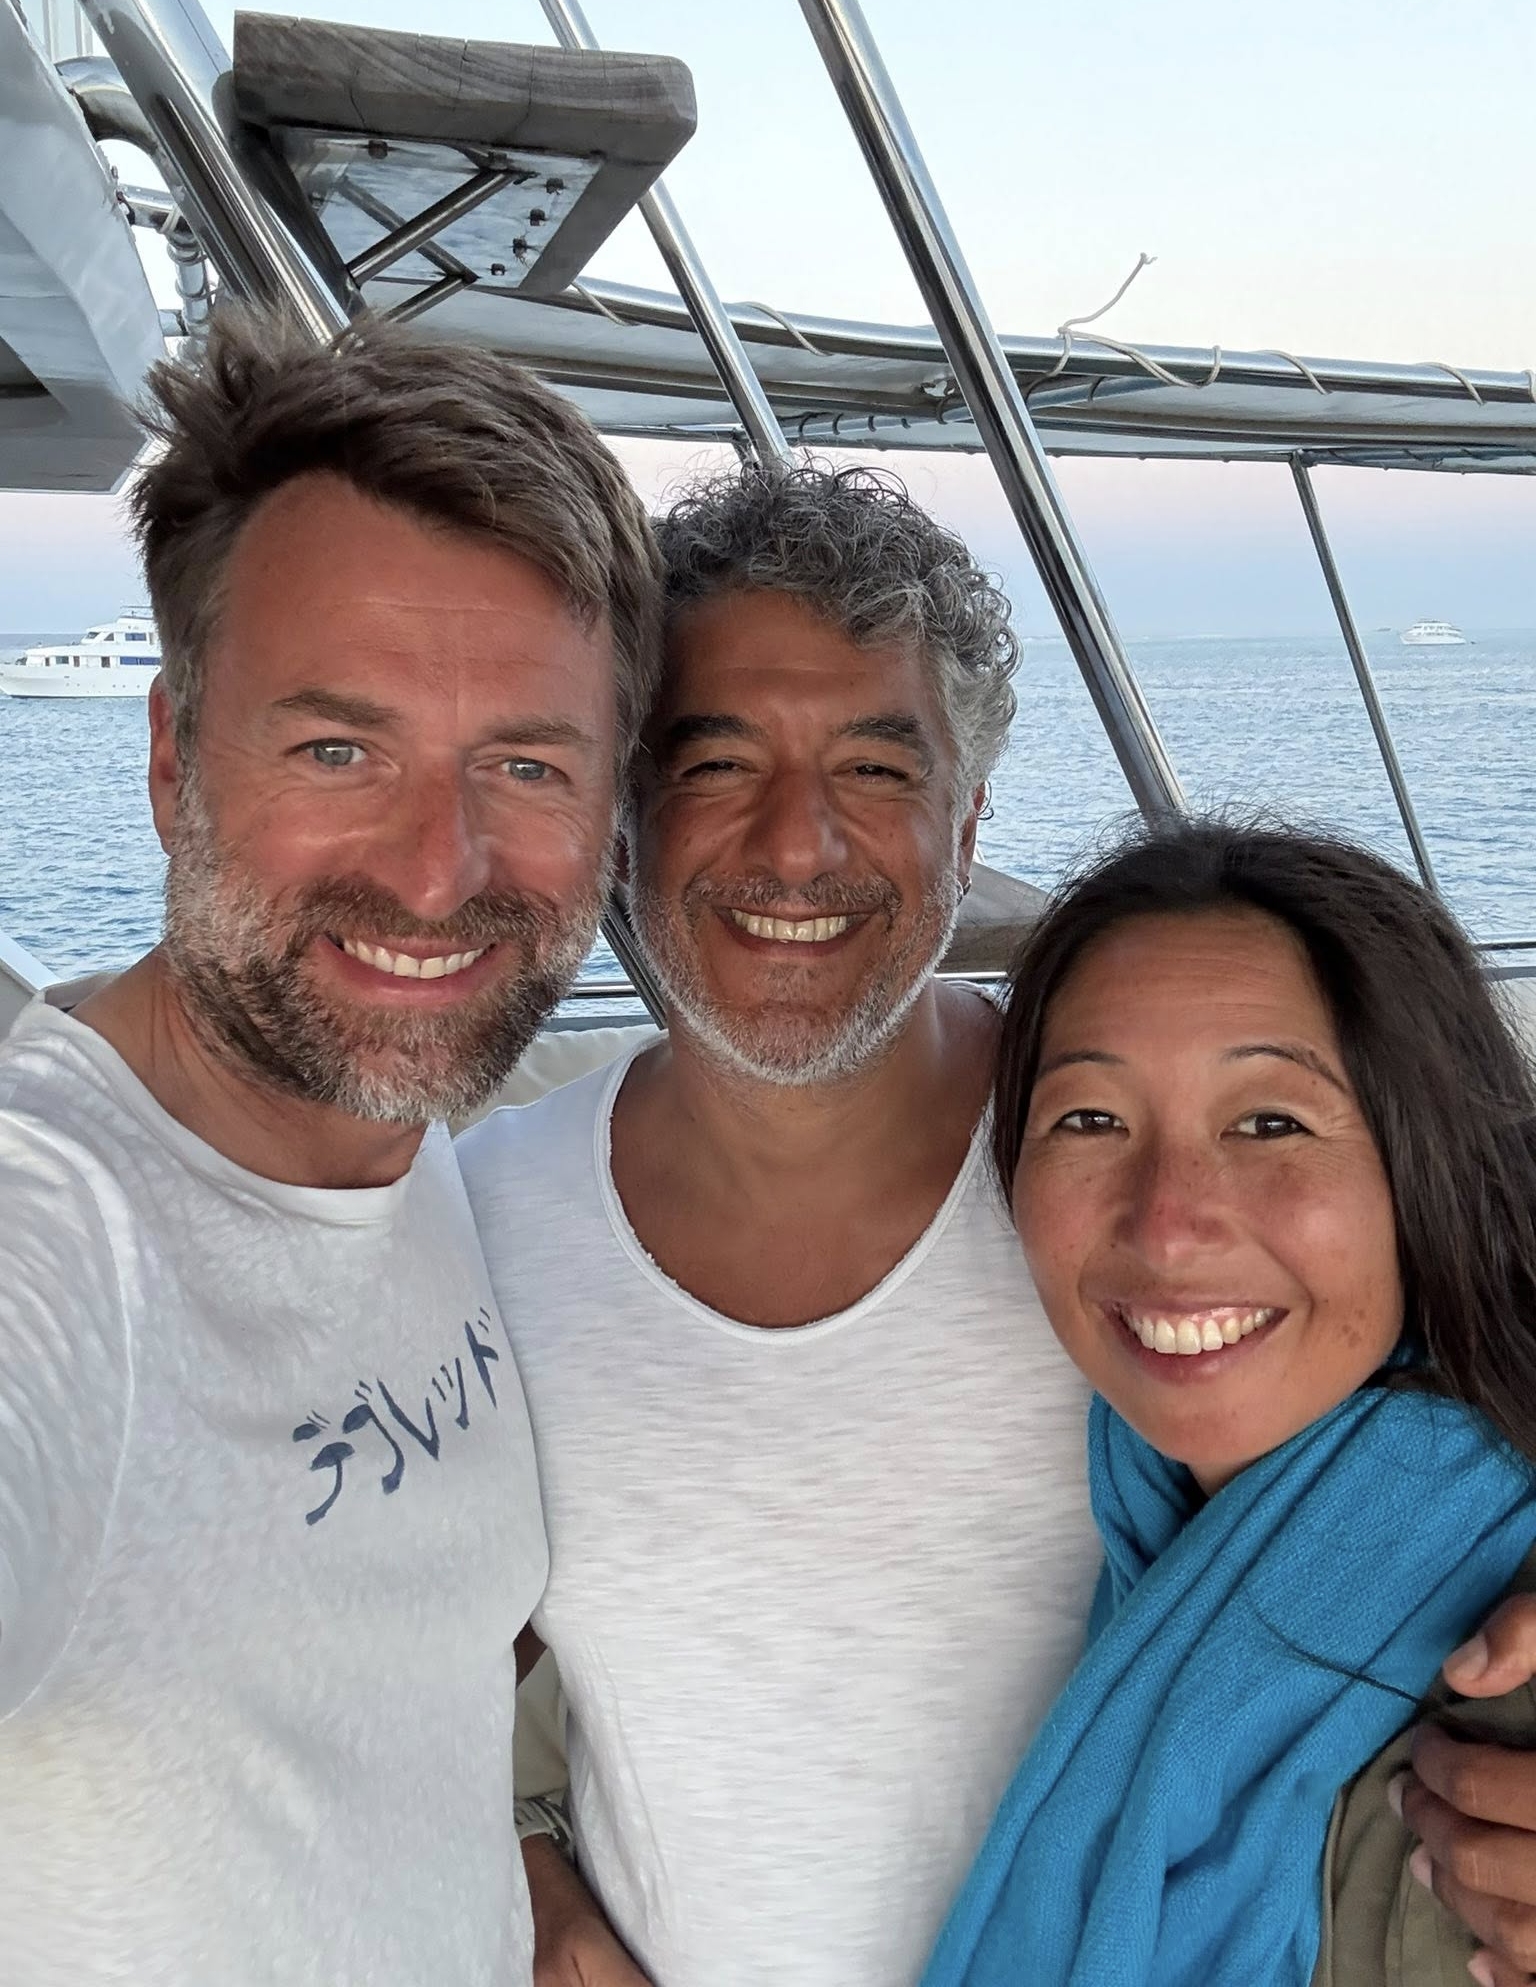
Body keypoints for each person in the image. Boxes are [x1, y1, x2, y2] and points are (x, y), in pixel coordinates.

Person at [464, 467, 1536, 1987]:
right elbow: (400, 1652)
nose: (795, 844)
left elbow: (1478, 1328)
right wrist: (529, 1883)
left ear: (966, 827)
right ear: (622, 819)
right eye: (715, 761)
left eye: (876, 767)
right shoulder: (482, 1222)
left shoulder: (1128, 1224)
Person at [0, 307, 659, 1985]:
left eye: (525, 763)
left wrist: (521, 1883)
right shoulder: (56, 1231)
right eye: (338, 749)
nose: (438, 873)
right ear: (173, 762)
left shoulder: (398, 1140)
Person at [923, 818, 1536, 1987]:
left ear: (1430, 1164)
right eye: (1090, 1120)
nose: (1166, 1225)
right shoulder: (1131, 1516)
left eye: (1270, 1122)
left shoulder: (1508, 1663)